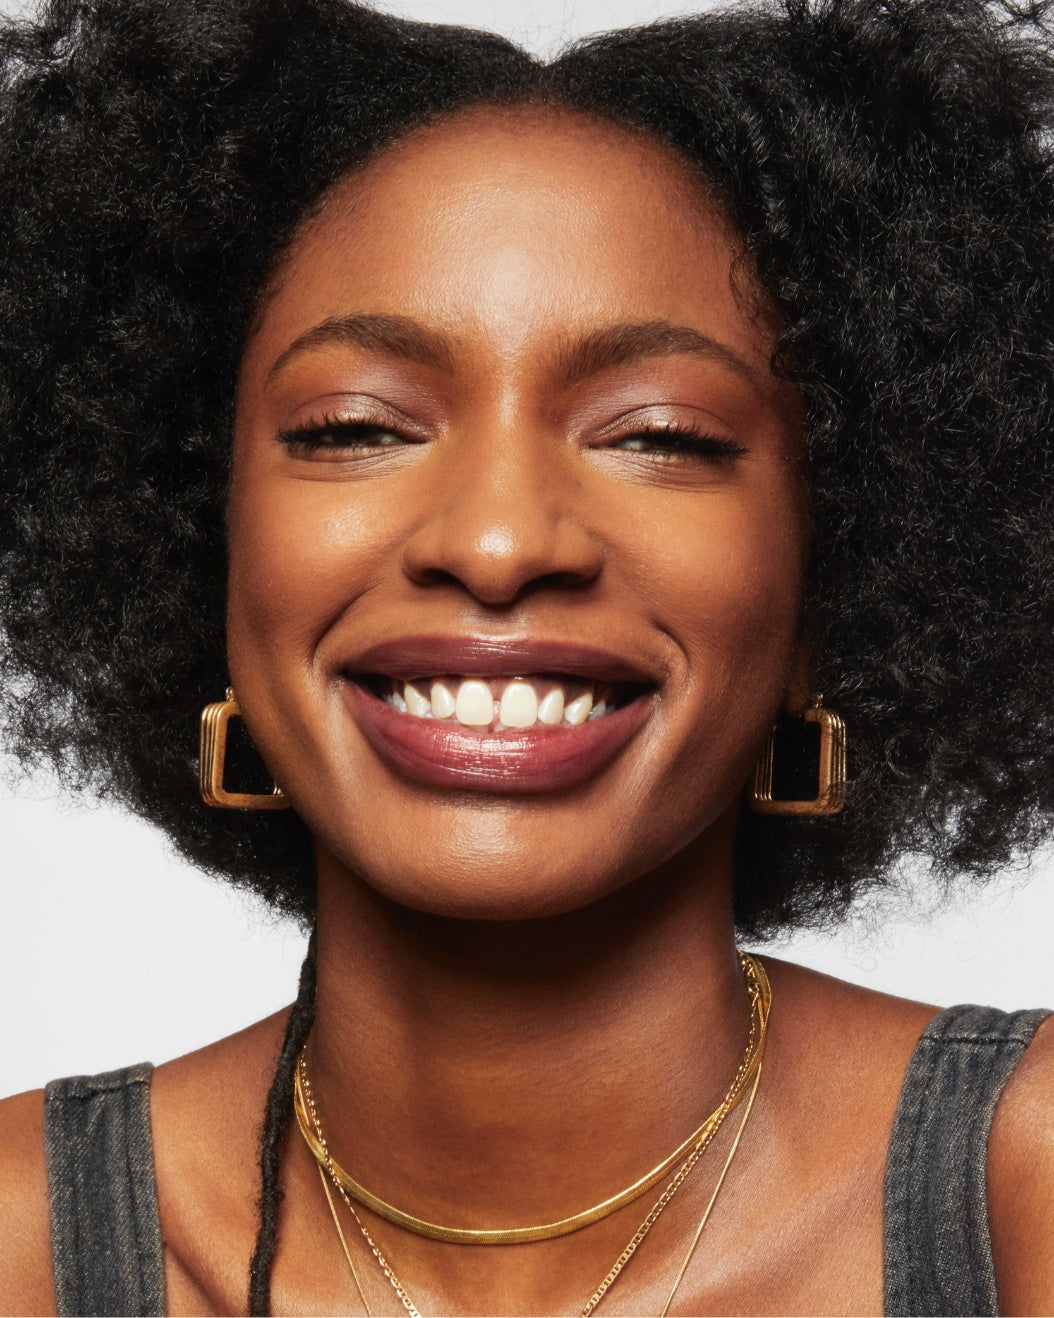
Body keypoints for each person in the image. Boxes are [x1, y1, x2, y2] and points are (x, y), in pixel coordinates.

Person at [1, 0, 1053, 1312]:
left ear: (828, 583)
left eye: (659, 433)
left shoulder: (1024, 1188)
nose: (498, 542)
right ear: (198, 548)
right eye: (349, 426)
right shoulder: (22, 1241)